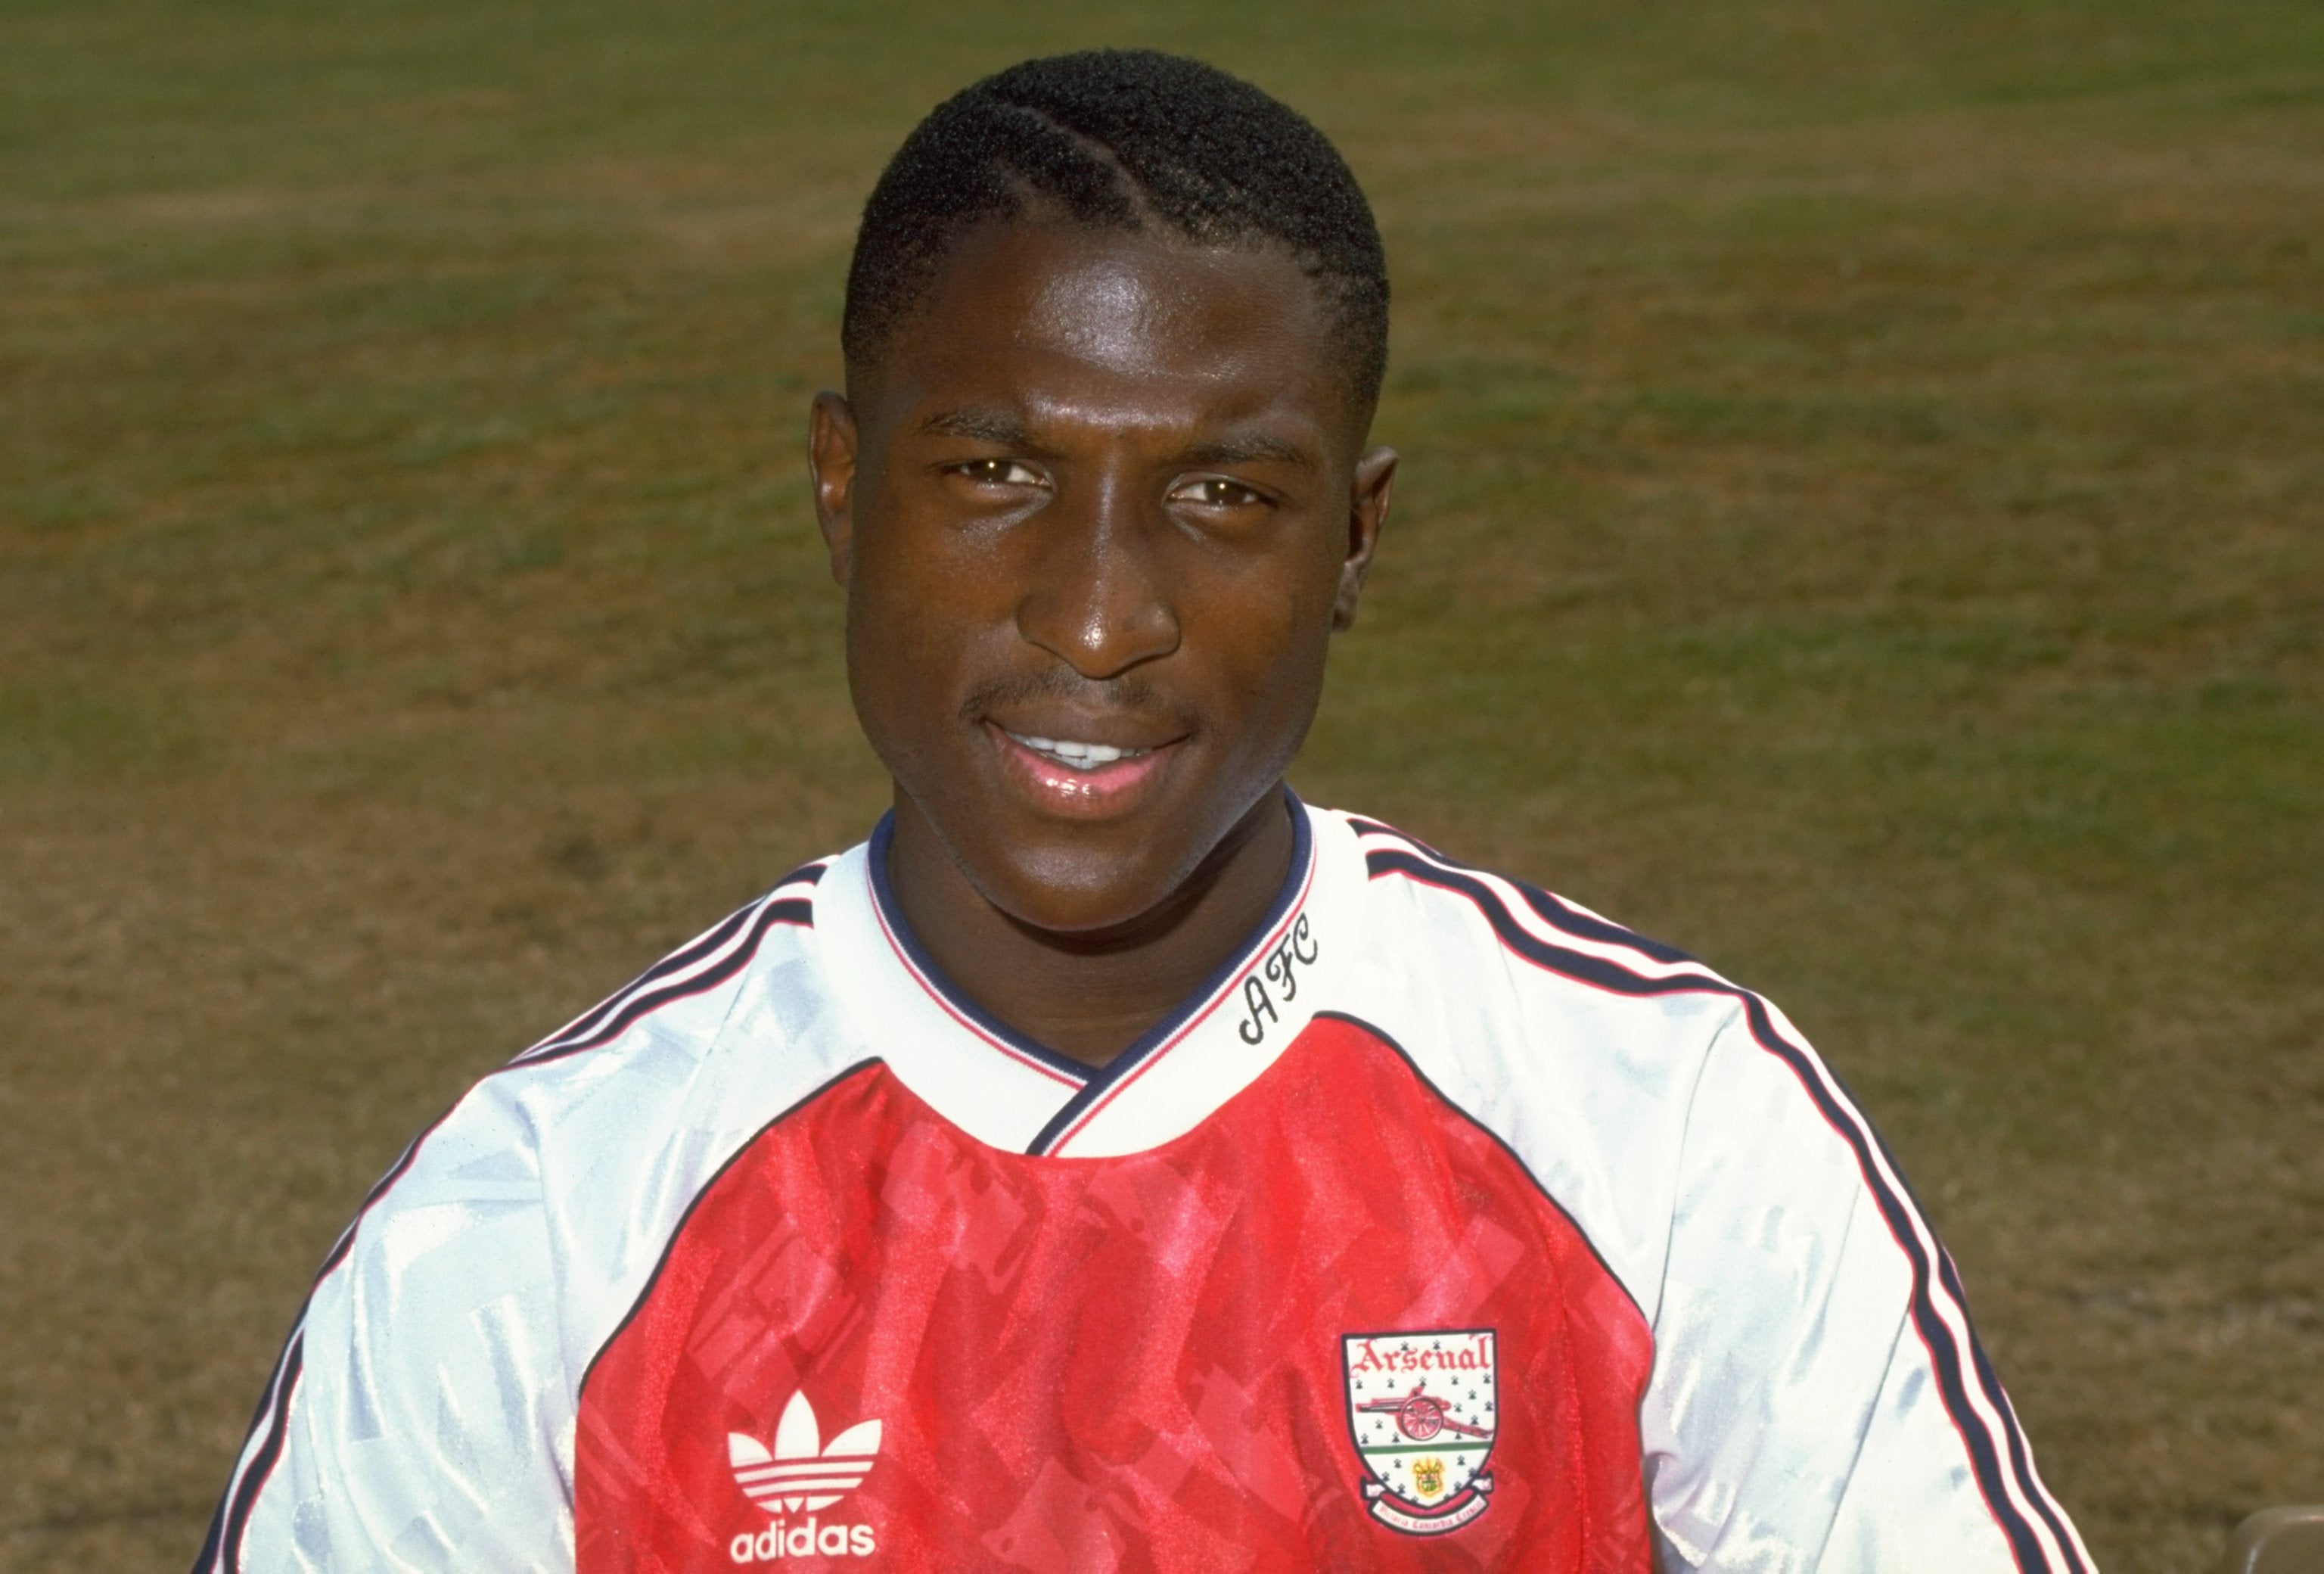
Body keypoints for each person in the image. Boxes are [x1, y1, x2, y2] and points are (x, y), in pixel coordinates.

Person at [196, 49, 2091, 1574]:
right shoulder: (548, 1213)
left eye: (1226, 496)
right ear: (846, 491)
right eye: (999, 470)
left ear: (1355, 535)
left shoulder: (1658, 1122)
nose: (1100, 616)